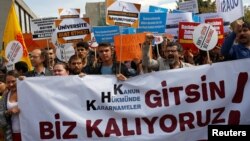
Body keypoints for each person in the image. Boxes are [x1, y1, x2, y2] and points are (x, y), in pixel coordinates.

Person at [1, 70, 21, 141]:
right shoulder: (5, 96)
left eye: (13, 81)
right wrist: (8, 112)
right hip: (13, 133)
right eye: (8, 82)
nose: (11, 84)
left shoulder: (27, 92)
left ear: (18, 80)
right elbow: (1, 113)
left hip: (28, 132)